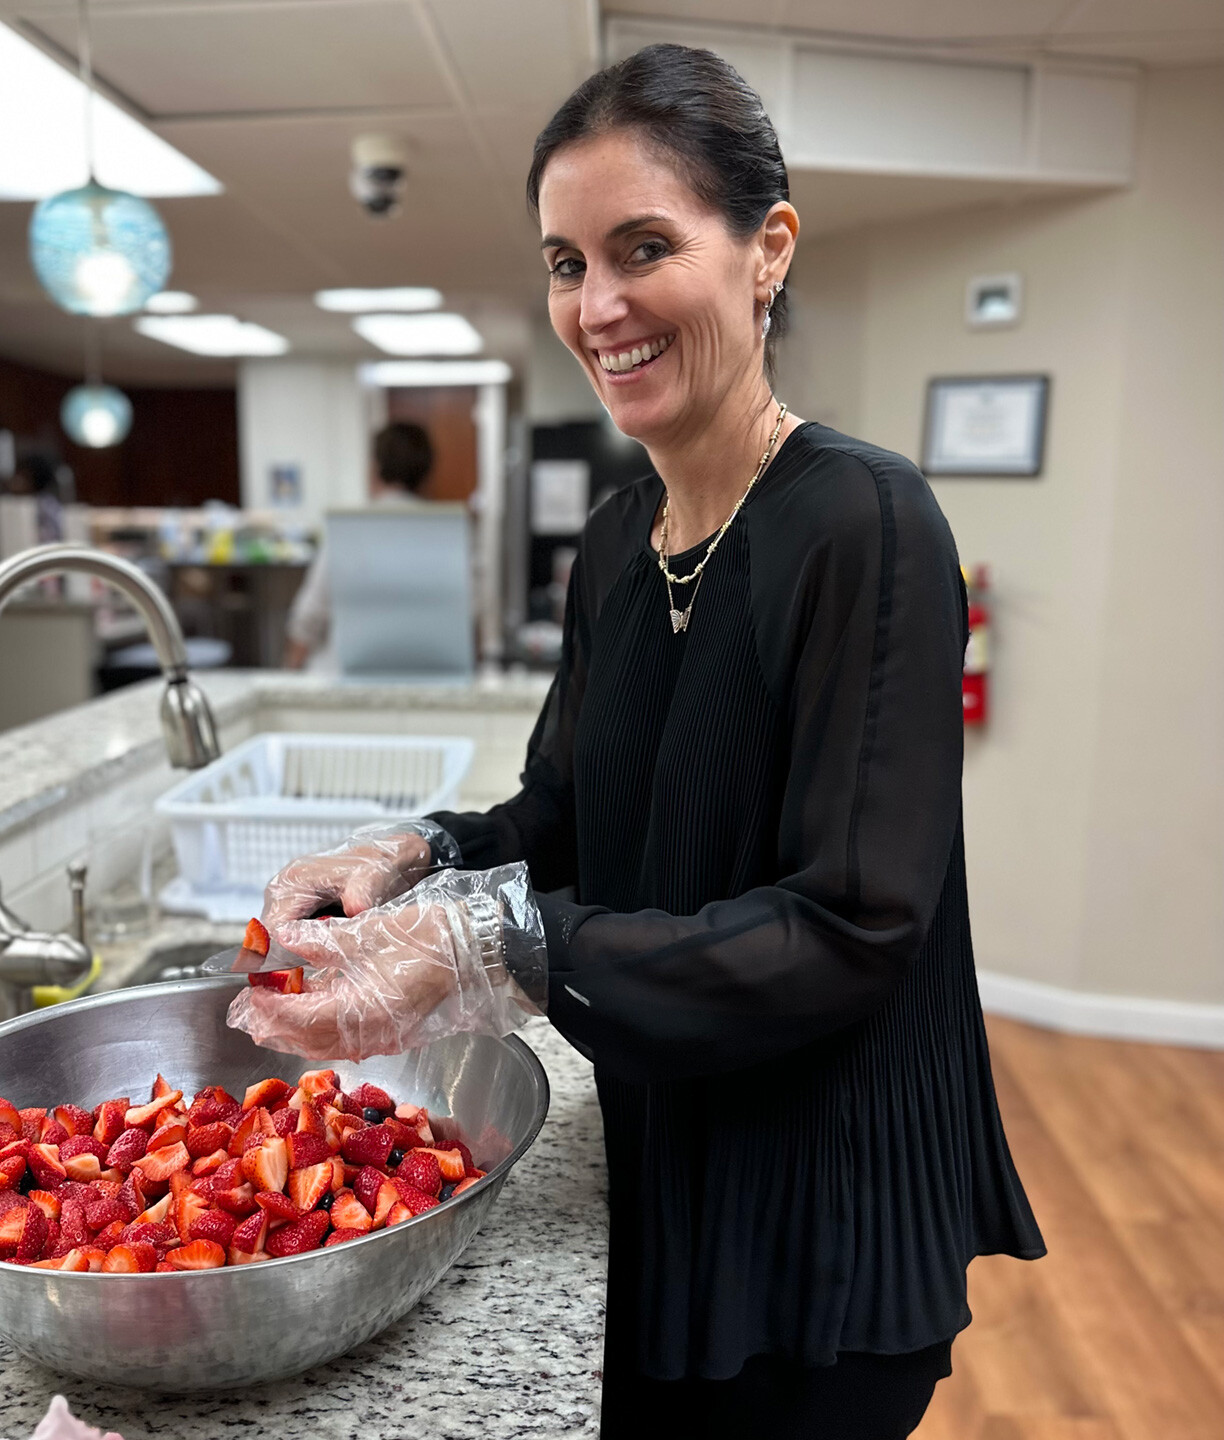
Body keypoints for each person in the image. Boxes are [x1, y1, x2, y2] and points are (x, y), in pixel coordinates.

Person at [236, 43, 1044, 1439]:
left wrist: (500, 945)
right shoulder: (616, 540)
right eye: (565, 263)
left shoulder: (865, 522)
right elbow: (566, 805)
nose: (597, 306)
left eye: (643, 247)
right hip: (664, 1137)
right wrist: (422, 857)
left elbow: (853, 923)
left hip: (818, 1207)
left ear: (766, 250)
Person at [283, 420, 435, 669]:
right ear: (426, 473)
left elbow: (308, 619)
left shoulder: (348, 529)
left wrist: (289, 674)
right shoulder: (449, 534)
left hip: (345, 682)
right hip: (424, 679)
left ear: (374, 469)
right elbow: (471, 621)